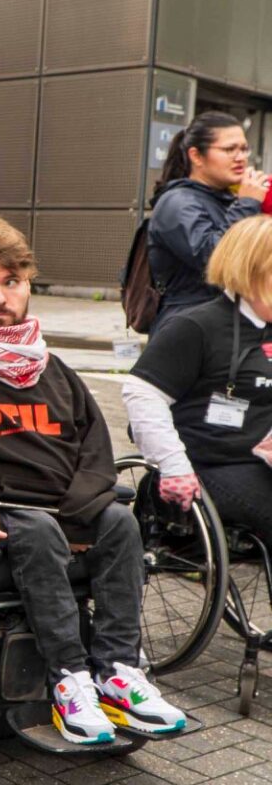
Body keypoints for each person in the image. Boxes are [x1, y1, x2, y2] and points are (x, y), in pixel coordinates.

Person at [0, 216, 185, 745]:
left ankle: (118, 672)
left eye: (10, 282)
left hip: (61, 512)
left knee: (119, 520)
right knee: (38, 529)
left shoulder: (55, 371)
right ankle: (69, 678)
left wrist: (80, 506)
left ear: (27, 284)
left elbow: (96, 455)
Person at [124, 217, 272, 551]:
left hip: (259, 458)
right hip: (206, 464)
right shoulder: (197, 326)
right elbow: (141, 394)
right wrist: (174, 465)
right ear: (250, 274)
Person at [146, 112, 272, 329]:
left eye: (244, 149)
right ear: (196, 156)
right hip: (189, 327)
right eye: (229, 149)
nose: (240, 157)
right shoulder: (177, 202)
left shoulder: (231, 198)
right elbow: (215, 259)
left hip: (228, 323)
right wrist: (247, 204)